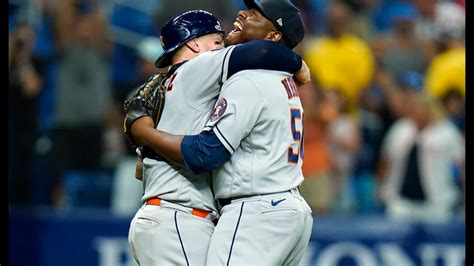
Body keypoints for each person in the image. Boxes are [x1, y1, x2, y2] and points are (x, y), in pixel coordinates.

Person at [129, 0, 313, 264]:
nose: (222, 47)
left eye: (255, 14)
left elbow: (205, 153)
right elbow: (262, 52)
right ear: (193, 45)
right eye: (216, 42)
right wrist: (297, 64)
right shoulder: (277, 80)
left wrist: (144, 134)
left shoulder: (246, 78)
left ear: (273, 36)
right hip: (275, 208)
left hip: (254, 209)